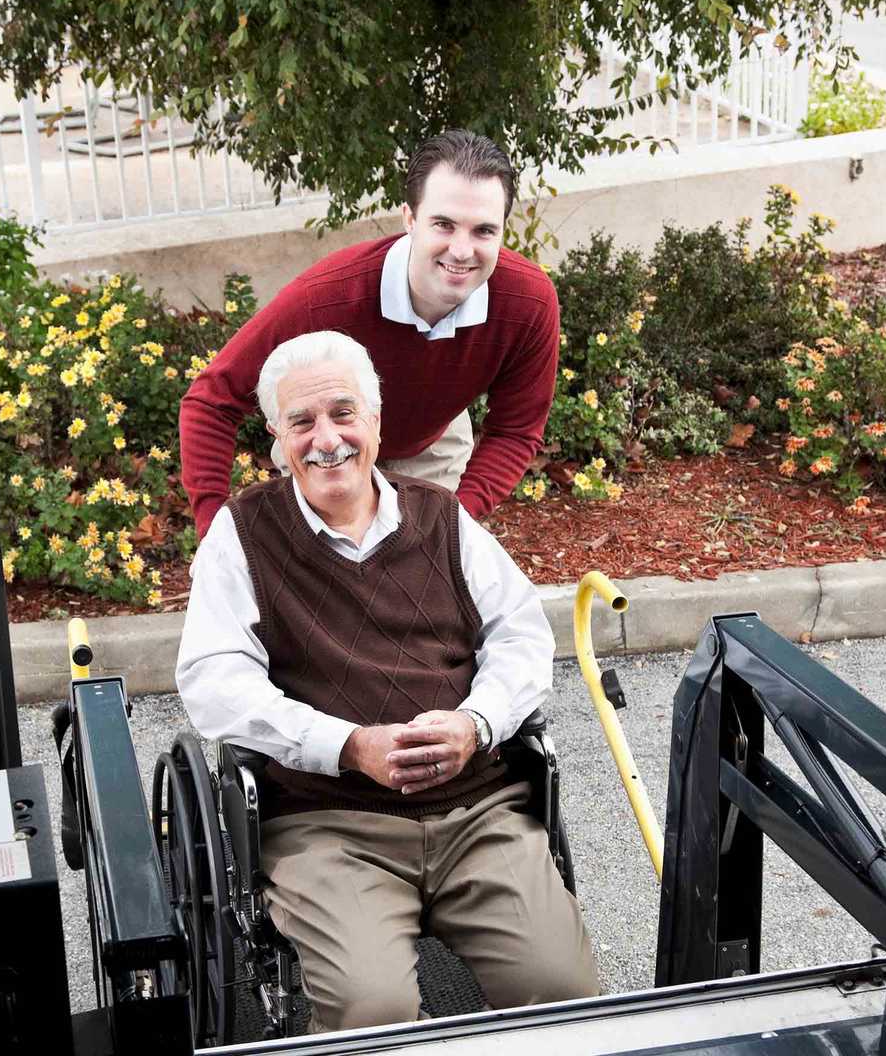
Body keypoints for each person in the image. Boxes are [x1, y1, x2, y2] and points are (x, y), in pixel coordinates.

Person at [175, 330, 599, 1033]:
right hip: (329, 826)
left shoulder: (440, 518)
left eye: (343, 414)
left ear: (375, 421)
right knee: (375, 1016)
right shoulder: (242, 535)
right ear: (278, 439)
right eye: (301, 423)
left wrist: (478, 723)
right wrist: (344, 744)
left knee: (565, 995)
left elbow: (522, 634)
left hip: (476, 814)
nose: (326, 439)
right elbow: (215, 682)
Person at [178, 129, 560, 538]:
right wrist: (215, 535)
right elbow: (211, 400)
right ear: (410, 219)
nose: (462, 250)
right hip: (327, 441)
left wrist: (456, 520)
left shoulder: (529, 302)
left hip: (431, 445)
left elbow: (515, 430)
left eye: (483, 230)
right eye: (444, 225)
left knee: (422, 572)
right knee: (328, 579)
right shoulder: (326, 299)